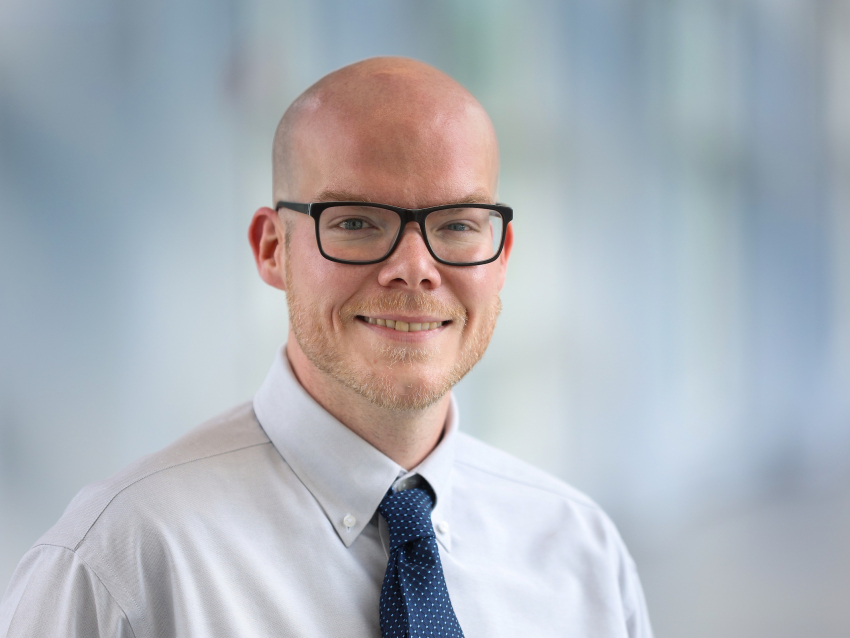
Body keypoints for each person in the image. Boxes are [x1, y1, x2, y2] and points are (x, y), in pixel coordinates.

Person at [0, 57, 653, 637]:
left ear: (501, 257)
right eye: (358, 223)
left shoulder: (582, 553)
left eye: (457, 224)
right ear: (272, 249)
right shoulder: (124, 565)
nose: (415, 268)